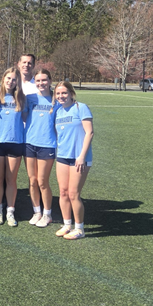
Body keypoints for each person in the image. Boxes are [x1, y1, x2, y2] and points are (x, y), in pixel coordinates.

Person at [53, 81, 94, 240]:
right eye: (58, 94)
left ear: (71, 93)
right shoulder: (59, 112)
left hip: (79, 158)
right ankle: (66, 224)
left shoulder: (80, 108)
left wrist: (82, 156)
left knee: (73, 193)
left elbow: (89, 133)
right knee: (63, 193)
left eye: (64, 93)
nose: (61, 96)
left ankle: (79, 228)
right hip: (63, 156)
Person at [0, 67, 26, 227]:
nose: (11, 81)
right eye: (8, 78)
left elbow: (25, 117)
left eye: (14, 79)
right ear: (3, 78)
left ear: (18, 81)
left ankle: (10, 212)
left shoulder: (22, 98)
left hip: (16, 143)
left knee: (11, 179)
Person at [24, 69, 57, 228]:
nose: (41, 83)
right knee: (32, 181)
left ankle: (47, 213)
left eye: (44, 80)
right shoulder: (30, 98)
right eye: (38, 81)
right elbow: (24, 116)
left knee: (43, 181)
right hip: (30, 143)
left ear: (50, 81)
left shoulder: (56, 100)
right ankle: (37, 211)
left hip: (47, 145)